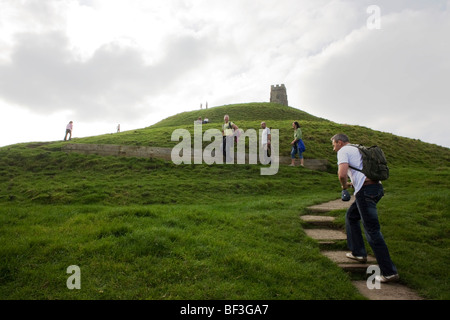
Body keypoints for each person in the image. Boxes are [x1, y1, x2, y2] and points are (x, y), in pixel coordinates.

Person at [331, 133, 399, 283]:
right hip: (376, 188)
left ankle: (389, 272)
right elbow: (362, 171)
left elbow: (342, 174)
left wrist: (343, 187)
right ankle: (358, 253)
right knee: (351, 216)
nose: (334, 149)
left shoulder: (343, 151)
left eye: (334, 145)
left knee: (372, 231)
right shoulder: (358, 149)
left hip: (365, 192)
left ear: (340, 142)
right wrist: (352, 184)